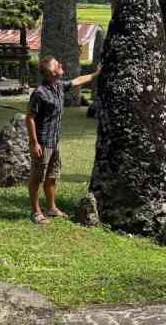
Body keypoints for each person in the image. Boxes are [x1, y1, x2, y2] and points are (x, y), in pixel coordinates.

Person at [26, 56, 100, 224]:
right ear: (52, 72)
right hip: (43, 142)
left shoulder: (58, 86)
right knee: (37, 177)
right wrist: (34, 143)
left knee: (52, 175)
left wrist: (96, 74)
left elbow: (77, 81)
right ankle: (35, 211)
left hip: (54, 141)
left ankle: (51, 208)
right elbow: (29, 118)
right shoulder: (40, 93)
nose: (61, 64)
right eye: (57, 64)